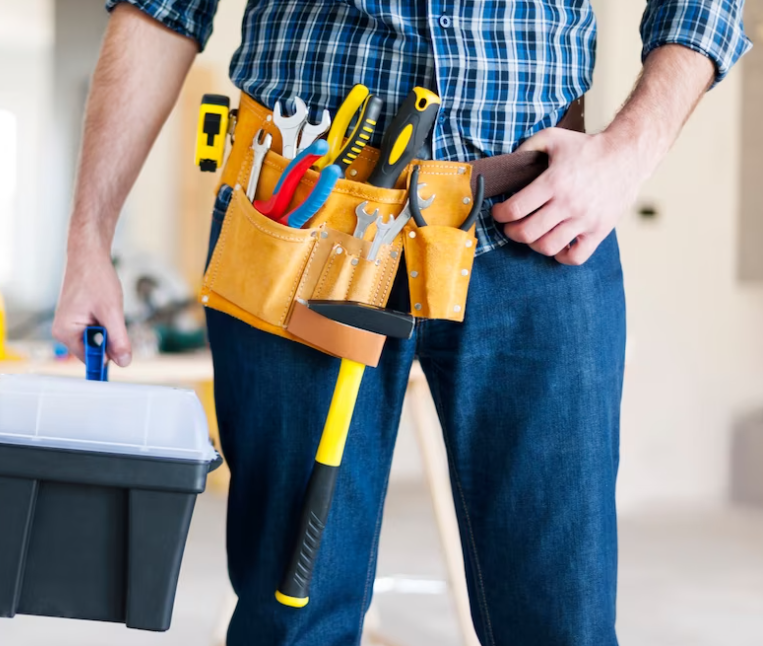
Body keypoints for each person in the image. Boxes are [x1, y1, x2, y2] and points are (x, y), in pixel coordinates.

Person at [52, 1, 750, 644]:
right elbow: (160, 8)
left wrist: (628, 153)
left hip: (540, 225)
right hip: (297, 233)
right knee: (293, 615)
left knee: (559, 619)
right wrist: (88, 238)